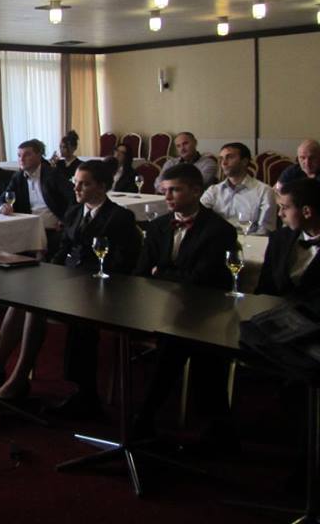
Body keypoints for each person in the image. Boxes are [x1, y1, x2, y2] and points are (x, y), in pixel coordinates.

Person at [0, 162, 141, 407]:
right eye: (76, 183)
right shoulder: (74, 212)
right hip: (67, 282)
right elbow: (62, 250)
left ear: (102, 187)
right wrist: (49, 273)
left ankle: (19, 377)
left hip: (101, 288)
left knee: (35, 305)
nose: (76, 188)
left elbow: (123, 263)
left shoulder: (120, 217)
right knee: (20, 300)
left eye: (84, 184)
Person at [132, 164, 238, 443]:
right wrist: (165, 274)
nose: (167, 197)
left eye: (175, 190)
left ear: (196, 191)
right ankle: (146, 415)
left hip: (205, 310)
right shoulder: (158, 226)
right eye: (165, 190)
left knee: (177, 340)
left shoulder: (219, 230)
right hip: (159, 306)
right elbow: (141, 272)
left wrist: (160, 271)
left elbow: (202, 280)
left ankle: (145, 416)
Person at [0, 139, 75, 256]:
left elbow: (73, 198)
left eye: (27, 155)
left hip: (52, 228)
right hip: (28, 228)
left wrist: (65, 219)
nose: (21, 159)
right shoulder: (18, 177)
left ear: (39, 156)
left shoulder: (53, 174)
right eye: (19, 156)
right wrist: (2, 207)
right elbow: (1, 199)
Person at [256, 178, 320, 297]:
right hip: (276, 307)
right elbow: (265, 288)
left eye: (285, 207)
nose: (280, 213)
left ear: (306, 212)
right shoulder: (279, 238)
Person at [201, 142, 277, 235]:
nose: (224, 163)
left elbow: (264, 230)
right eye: (221, 159)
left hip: (250, 240)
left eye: (229, 157)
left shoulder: (264, 191)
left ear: (244, 161)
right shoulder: (213, 191)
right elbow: (198, 217)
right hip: (217, 240)